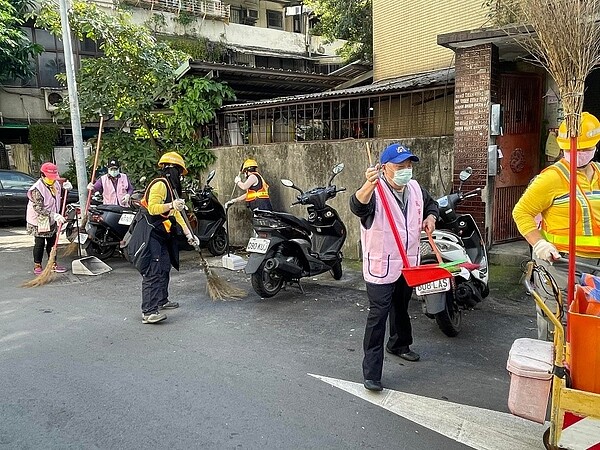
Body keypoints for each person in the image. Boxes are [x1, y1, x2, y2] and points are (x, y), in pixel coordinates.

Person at [350, 143, 439, 392]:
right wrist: (368, 184)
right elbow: (357, 206)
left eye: (409, 166)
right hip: (381, 264)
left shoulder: (415, 188)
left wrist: (430, 218)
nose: (406, 171)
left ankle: (399, 344)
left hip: (407, 262)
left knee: (401, 305)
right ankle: (372, 373)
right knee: (378, 314)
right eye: (400, 167)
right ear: (384, 169)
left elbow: (432, 205)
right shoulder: (375, 190)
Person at [513, 112, 600, 340]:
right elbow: (521, 212)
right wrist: (539, 243)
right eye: (572, 150)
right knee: (559, 329)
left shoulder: (599, 174)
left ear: (595, 146)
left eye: (583, 150)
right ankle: (555, 374)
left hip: (596, 265)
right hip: (560, 263)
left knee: (591, 331)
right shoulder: (551, 178)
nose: (577, 154)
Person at [137, 151, 200, 324]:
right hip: (150, 233)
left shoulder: (171, 188)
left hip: (161, 233)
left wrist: (190, 235)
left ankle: (162, 300)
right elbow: (153, 209)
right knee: (153, 270)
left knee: (164, 266)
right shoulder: (160, 185)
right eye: (179, 173)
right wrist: (171, 204)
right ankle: (148, 312)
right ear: (172, 170)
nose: (180, 176)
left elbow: (177, 214)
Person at [26, 162, 72, 274]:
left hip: (51, 218)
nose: (53, 179)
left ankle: (53, 263)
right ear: (42, 175)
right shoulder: (37, 189)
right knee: (40, 242)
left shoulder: (55, 183)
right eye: (50, 177)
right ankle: (37, 265)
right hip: (39, 218)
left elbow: (58, 197)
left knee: (52, 241)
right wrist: (54, 215)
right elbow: (38, 208)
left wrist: (66, 188)